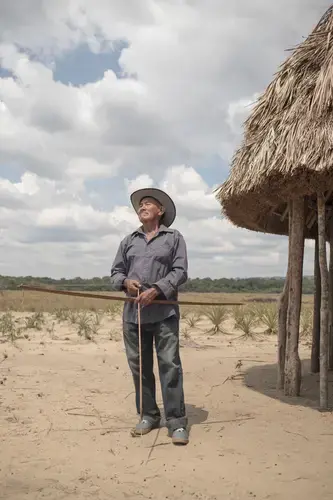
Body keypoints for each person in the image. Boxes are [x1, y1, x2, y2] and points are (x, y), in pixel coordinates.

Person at [110, 187, 189, 445]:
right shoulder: (129, 240)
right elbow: (115, 272)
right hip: (133, 315)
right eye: (140, 205)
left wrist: (157, 290)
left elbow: (180, 272)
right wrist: (126, 283)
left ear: (160, 210)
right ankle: (148, 416)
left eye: (147, 204)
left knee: (170, 366)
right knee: (139, 368)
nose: (142, 207)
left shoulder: (174, 238)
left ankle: (176, 421)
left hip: (164, 313)